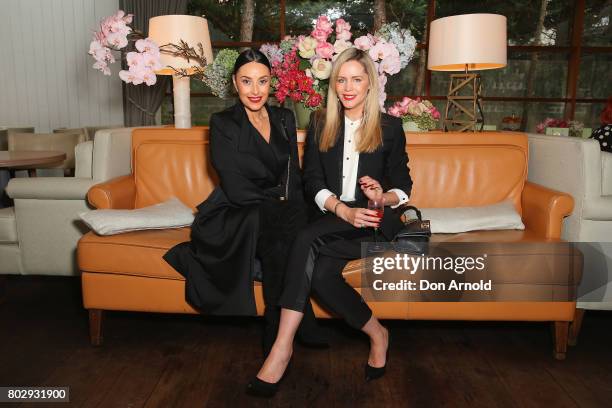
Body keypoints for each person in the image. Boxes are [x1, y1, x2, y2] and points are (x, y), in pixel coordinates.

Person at [247, 48, 413, 397]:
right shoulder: (322, 121)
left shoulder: (390, 127)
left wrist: (382, 196)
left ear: (370, 83)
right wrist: (341, 209)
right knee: (321, 275)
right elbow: (312, 181)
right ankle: (378, 333)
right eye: (341, 79)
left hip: (372, 218)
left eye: (356, 79)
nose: (348, 87)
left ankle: (282, 347)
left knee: (305, 239)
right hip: (334, 216)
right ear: (333, 85)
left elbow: (404, 185)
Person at [163, 49, 325, 356]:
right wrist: (283, 207)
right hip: (235, 211)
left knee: (295, 228)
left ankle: (279, 332)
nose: (255, 91)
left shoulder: (284, 118)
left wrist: (298, 208)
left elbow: (293, 174)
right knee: (278, 226)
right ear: (235, 84)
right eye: (247, 82)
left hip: (277, 209)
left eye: (262, 82)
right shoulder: (222, 122)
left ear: (271, 84)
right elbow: (236, 188)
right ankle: (291, 327)